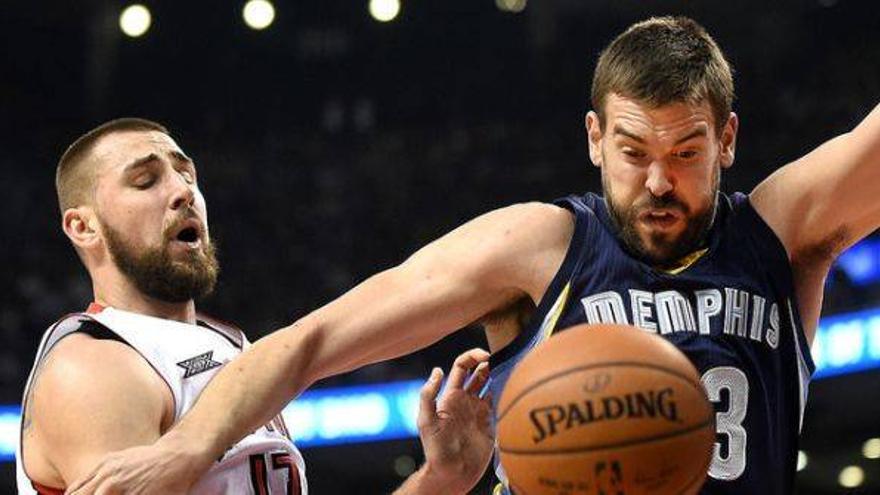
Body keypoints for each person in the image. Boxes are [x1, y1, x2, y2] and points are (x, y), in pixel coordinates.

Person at [68, 16, 880, 494]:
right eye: (634, 152)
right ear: (594, 138)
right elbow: (312, 339)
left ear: (728, 141)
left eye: (687, 153)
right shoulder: (540, 244)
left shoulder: (780, 231)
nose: (660, 181)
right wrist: (187, 446)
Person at [15, 118, 494, 495]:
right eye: (145, 181)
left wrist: (439, 481)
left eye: (187, 175)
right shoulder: (94, 365)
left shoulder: (232, 345)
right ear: (84, 227)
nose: (184, 192)